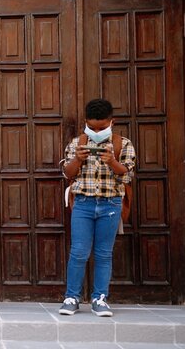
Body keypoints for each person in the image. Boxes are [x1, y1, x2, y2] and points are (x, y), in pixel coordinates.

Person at [59, 98, 135, 317]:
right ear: (85, 123)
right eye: (92, 128)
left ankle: (100, 299)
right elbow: (68, 173)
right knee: (79, 252)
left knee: (103, 254)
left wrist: (112, 161)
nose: (96, 132)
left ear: (112, 122)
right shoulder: (76, 143)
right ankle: (71, 297)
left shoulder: (123, 144)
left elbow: (127, 175)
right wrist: (77, 160)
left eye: (102, 128)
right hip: (83, 203)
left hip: (111, 204)